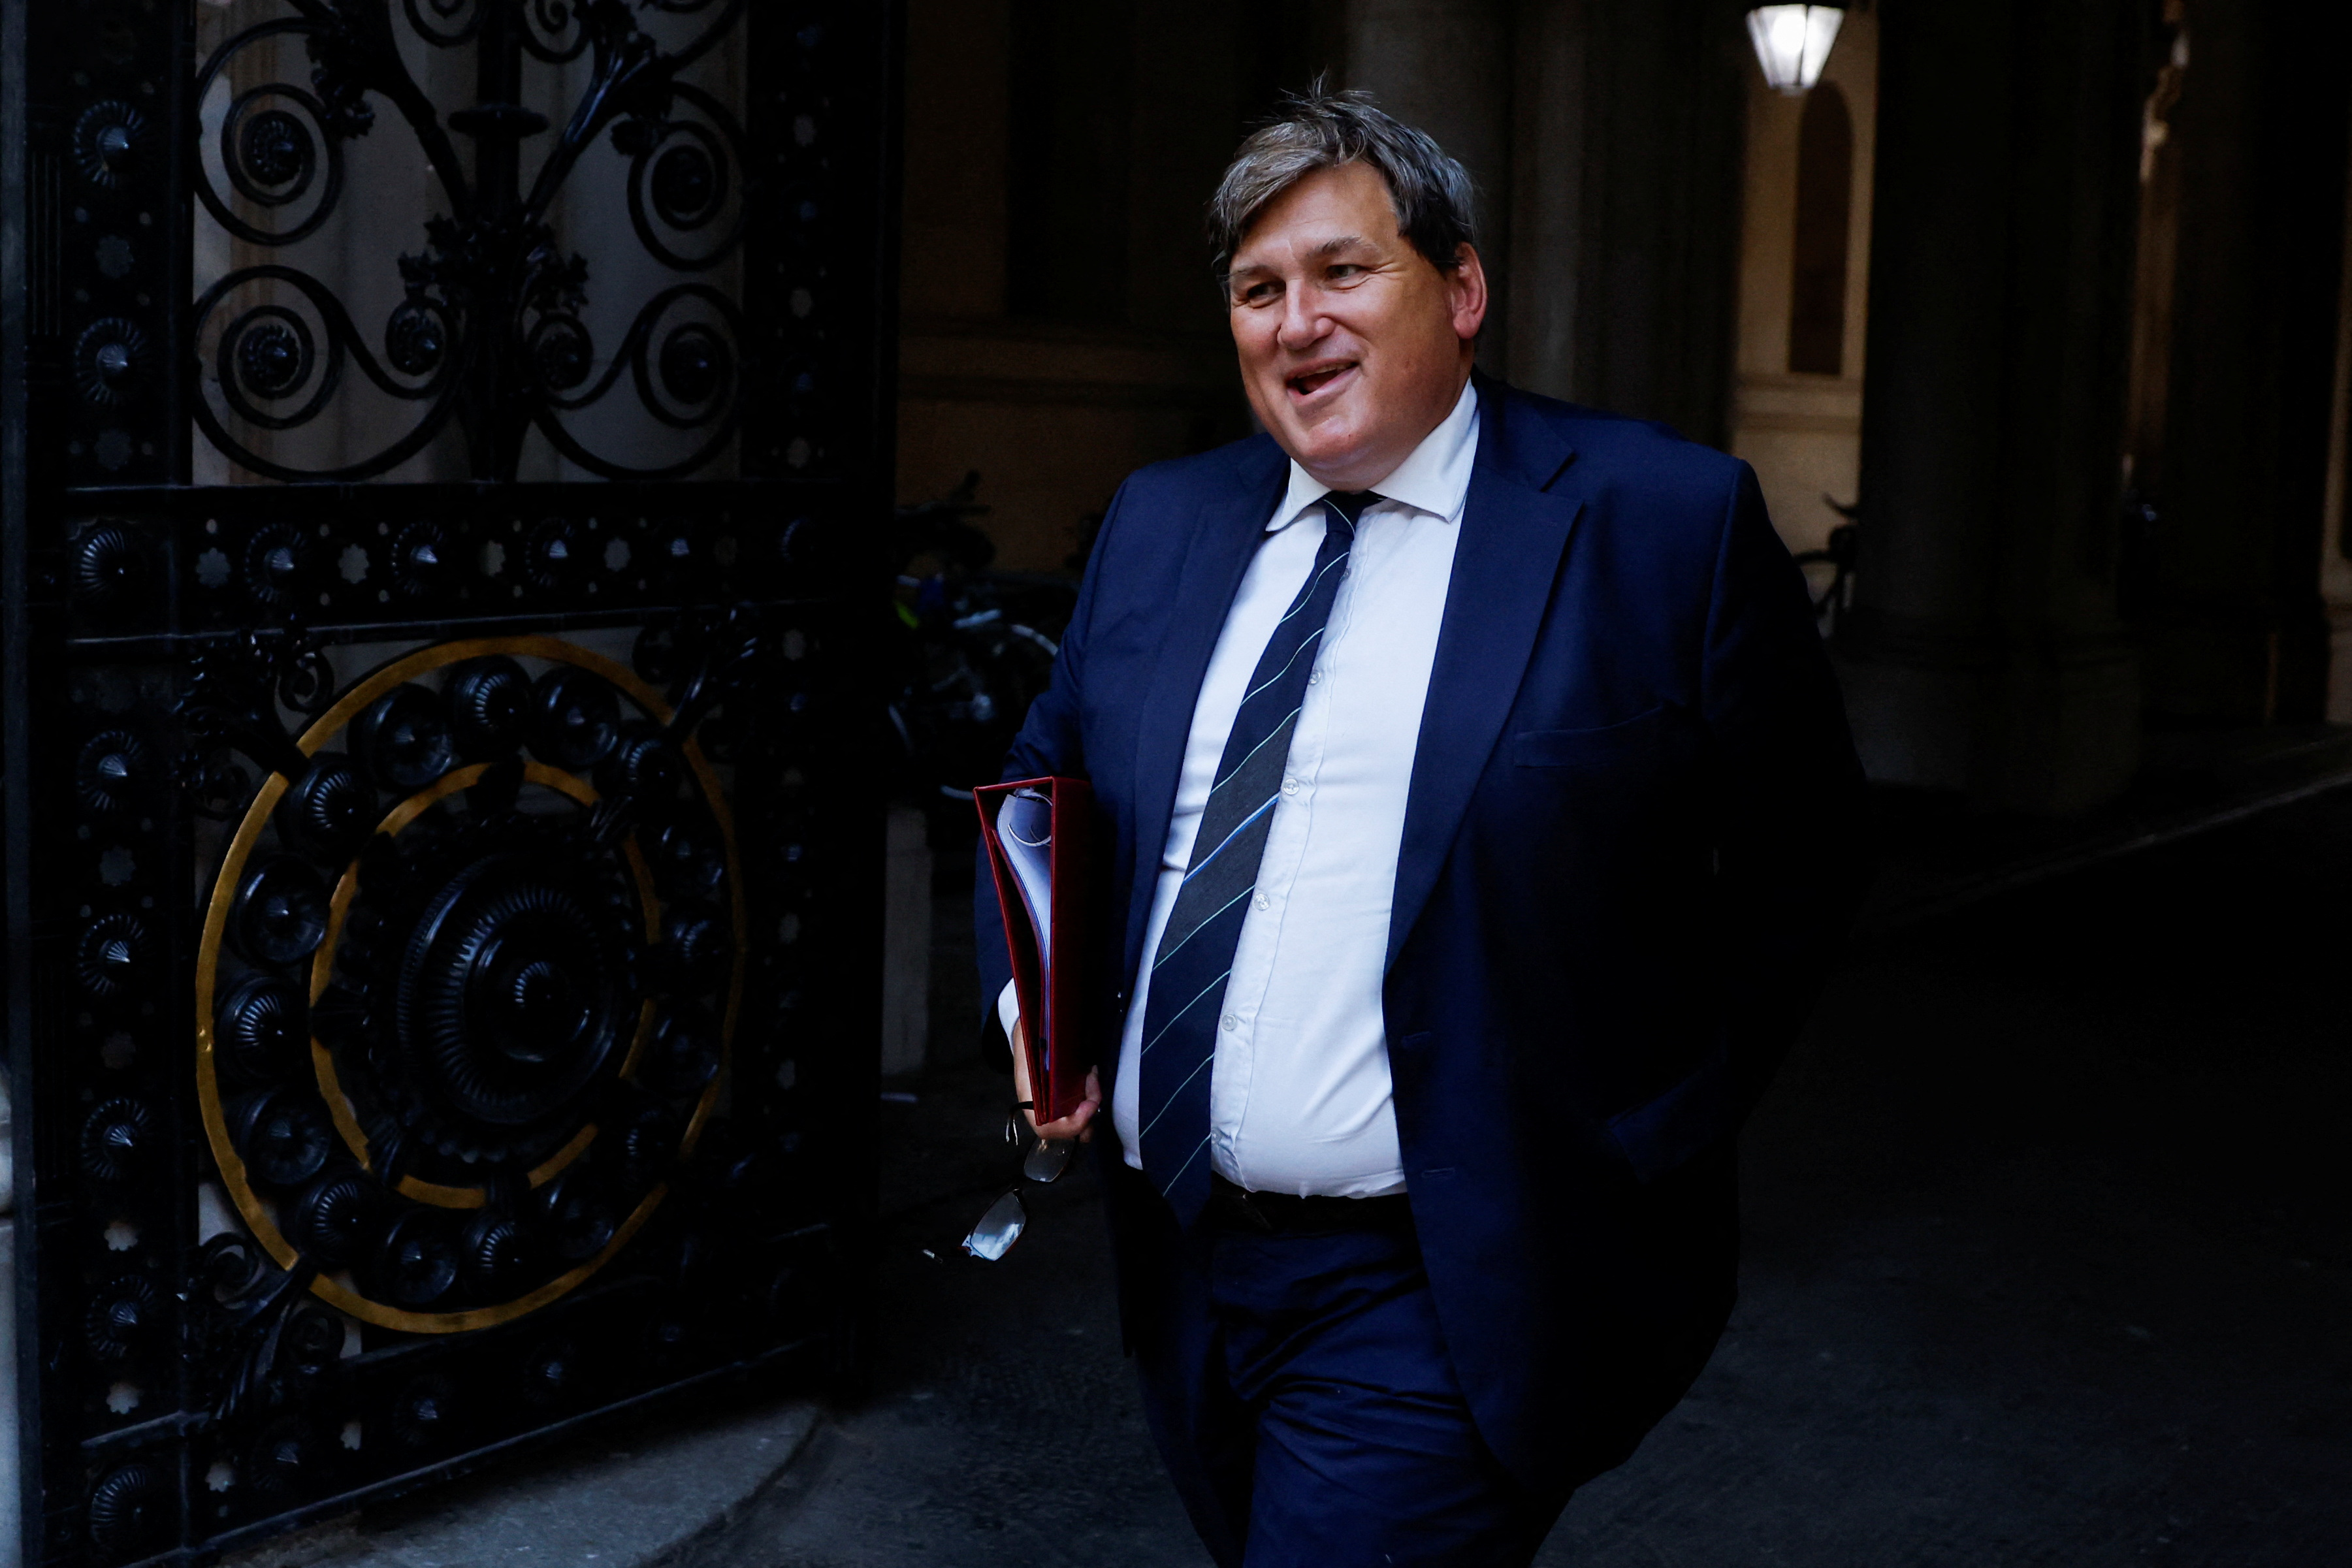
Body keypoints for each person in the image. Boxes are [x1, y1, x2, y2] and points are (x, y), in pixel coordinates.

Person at [975, 87, 1869, 1568]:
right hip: (1185, 1262)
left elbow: (1801, 854)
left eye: (1342, 271)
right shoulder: (1163, 520)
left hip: (1441, 1282)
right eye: (1258, 290)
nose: (1295, 321)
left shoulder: (1658, 520)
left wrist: (1654, 1119)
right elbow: (1046, 786)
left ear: (1459, 291)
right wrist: (1037, 1003)